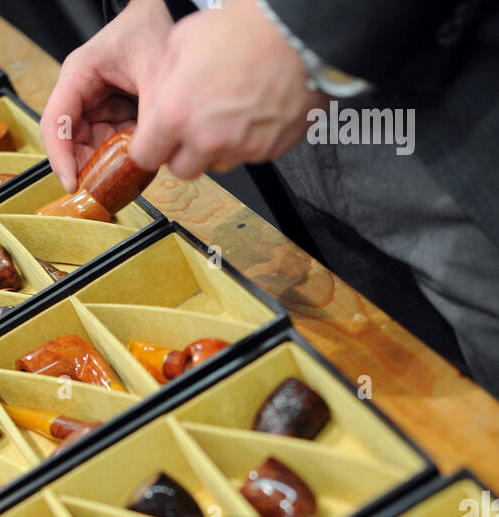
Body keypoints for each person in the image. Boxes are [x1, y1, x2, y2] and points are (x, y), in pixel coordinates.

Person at [39, 0, 499, 393]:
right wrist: (162, 8)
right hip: (291, 122)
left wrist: (294, 29)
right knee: (403, 384)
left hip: (461, 100)